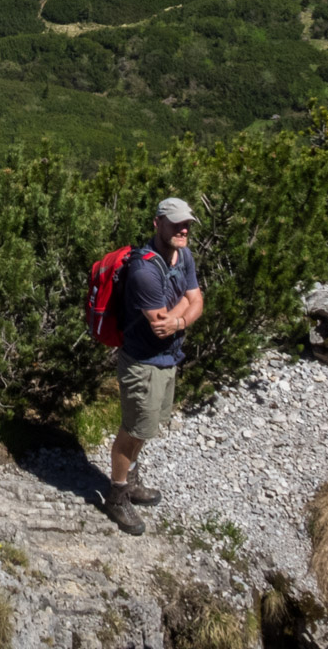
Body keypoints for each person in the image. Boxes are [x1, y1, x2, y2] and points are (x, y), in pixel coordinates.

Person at [104, 196, 204, 535]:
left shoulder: (183, 254)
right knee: (132, 431)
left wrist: (177, 320)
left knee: (146, 428)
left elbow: (197, 301)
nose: (183, 229)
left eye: (186, 223)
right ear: (157, 223)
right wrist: (182, 312)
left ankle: (130, 480)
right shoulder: (144, 271)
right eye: (175, 223)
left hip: (167, 359)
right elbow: (160, 321)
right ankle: (117, 496)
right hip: (143, 364)